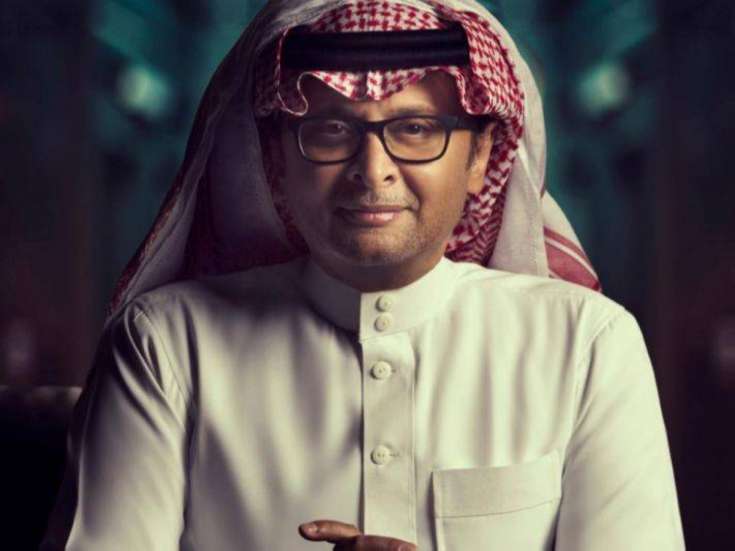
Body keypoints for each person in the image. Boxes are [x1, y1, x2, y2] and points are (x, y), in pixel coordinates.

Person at [43, 1, 685, 549]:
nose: (372, 170)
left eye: (416, 129)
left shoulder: (587, 345)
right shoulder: (166, 345)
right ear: (277, 160)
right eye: (330, 131)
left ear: (480, 155)